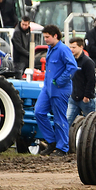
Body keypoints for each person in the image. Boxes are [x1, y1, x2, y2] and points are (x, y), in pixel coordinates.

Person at [35, 25, 78, 157]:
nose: (45, 39)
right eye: (44, 37)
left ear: (55, 36)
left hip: (59, 90)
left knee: (59, 118)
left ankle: (62, 148)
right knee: (39, 112)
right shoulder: (50, 49)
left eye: (47, 37)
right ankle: (52, 141)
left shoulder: (63, 49)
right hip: (48, 88)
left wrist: (59, 81)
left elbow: (72, 67)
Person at [66, 37, 96, 133]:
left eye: (74, 47)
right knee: (66, 122)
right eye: (70, 47)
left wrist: (87, 96)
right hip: (73, 98)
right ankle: (62, 146)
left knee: (90, 126)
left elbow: (91, 80)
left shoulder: (87, 62)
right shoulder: (71, 61)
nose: (71, 50)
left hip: (86, 100)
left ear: (81, 47)